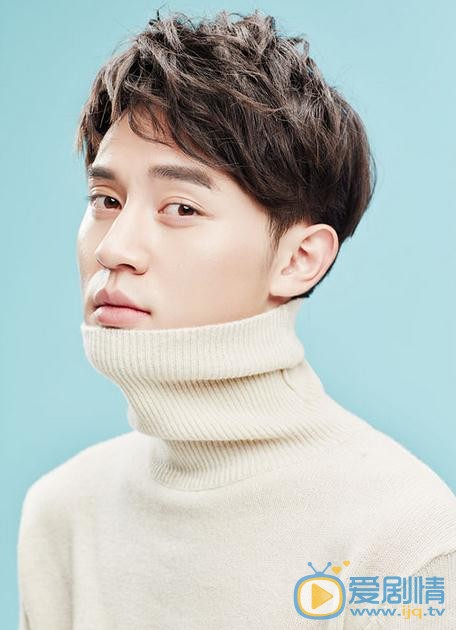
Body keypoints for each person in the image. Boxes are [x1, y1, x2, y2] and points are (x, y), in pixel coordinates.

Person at [17, 9, 456, 629]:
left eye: (181, 208)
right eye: (106, 200)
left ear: (300, 259)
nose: (114, 249)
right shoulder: (64, 512)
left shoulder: (402, 537)